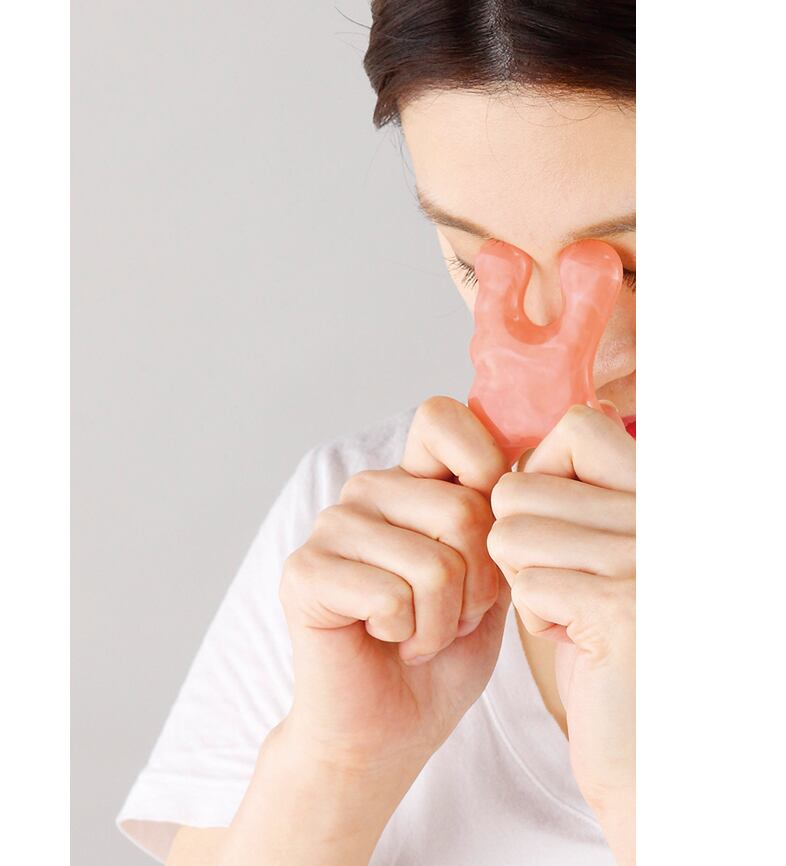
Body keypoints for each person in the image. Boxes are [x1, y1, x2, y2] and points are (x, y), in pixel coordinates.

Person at [117, 2, 636, 863]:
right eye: (477, 262)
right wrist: (340, 765)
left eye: (644, 268)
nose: (577, 377)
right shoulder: (359, 539)